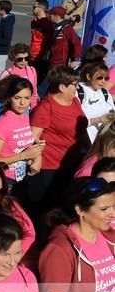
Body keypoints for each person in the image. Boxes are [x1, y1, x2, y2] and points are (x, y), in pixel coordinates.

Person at [39, 177, 115, 292]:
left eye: (113, 206)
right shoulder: (59, 250)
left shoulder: (108, 237)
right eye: (104, 209)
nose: (112, 214)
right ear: (80, 210)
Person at [30, 66, 88, 213]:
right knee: (49, 209)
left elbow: (81, 129)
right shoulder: (46, 107)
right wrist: (36, 160)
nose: (77, 87)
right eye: (74, 84)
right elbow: (32, 137)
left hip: (72, 163)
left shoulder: (74, 101)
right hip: (51, 168)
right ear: (62, 87)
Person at [0, 77, 42, 191]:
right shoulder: (3, 123)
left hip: (22, 178)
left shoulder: (26, 117)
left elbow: (25, 145)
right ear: (9, 98)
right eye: (17, 98)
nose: (22, 103)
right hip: (5, 180)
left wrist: (37, 155)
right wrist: (24, 156)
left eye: (27, 98)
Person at [77, 62, 115, 143]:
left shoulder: (105, 93)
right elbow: (74, 120)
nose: (103, 81)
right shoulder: (78, 91)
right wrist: (99, 120)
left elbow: (112, 113)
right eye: (100, 78)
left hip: (104, 140)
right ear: (88, 76)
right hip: (84, 142)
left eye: (106, 78)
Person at [0, 43, 39, 109]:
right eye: (20, 59)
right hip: (12, 108)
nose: (23, 61)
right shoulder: (7, 73)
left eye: (26, 58)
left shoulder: (32, 71)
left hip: (28, 108)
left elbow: (34, 92)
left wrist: (33, 108)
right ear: (13, 58)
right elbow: (1, 94)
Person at [0, 0, 15, 75]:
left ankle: (1, 86)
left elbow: (6, 40)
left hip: (2, 51)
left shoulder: (7, 22)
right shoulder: (5, 19)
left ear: (3, 10)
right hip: (1, 50)